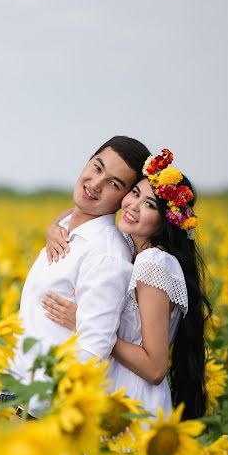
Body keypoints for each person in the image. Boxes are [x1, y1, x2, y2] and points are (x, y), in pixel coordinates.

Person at [41, 149, 211, 419]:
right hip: (117, 398)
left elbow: (155, 368)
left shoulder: (152, 263)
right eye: (134, 194)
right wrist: (54, 227)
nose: (133, 206)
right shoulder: (133, 249)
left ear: (165, 222)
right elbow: (79, 210)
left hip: (135, 403)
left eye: (150, 205)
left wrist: (84, 322)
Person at [5, 135, 150, 417]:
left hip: (43, 412)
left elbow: (93, 353)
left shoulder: (106, 255)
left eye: (114, 184)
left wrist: (48, 418)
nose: (95, 184)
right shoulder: (64, 228)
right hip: (18, 394)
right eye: (97, 167)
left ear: (126, 199)